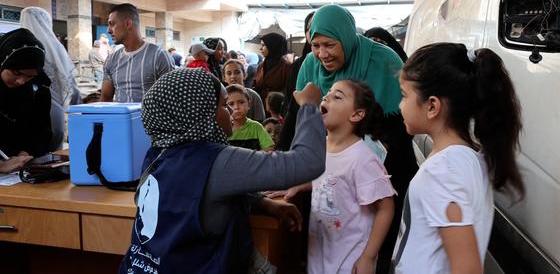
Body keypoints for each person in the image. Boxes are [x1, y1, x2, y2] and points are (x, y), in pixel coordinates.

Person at [119, 68, 326, 273]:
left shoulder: (157, 153)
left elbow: (193, 198)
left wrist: (261, 202)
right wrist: (309, 106)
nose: (230, 112)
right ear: (200, 113)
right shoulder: (215, 159)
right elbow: (307, 163)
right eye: (222, 105)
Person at [295, 4, 418, 273]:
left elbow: (402, 124)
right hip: (334, 171)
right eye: (315, 45)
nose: (321, 54)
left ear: (346, 38)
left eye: (329, 44)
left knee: (373, 245)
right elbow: (299, 117)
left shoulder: (384, 60)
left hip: (385, 167)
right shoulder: (309, 66)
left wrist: (363, 151)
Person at [392, 43, 525, 273]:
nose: (399, 105)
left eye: (404, 95)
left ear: (432, 105)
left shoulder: (444, 170)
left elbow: (467, 268)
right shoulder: (465, 156)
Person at [273, 79, 396, 273]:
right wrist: (302, 184)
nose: (327, 96)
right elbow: (332, 178)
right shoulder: (320, 146)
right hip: (321, 255)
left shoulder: (362, 158)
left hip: (349, 260)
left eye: (337, 96)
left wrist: (368, 257)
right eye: (327, 93)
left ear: (356, 114)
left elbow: (386, 207)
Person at [20, 6, 81, 151]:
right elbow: (72, 87)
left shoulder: (20, 48)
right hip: (54, 111)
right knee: (53, 157)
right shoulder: (55, 47)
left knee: (28, 156)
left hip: (24, 112)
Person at [0, 28, 52, 173]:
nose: (21, 81)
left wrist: (25, 154)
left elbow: (42, 129)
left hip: (17, 170)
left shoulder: (39, 88)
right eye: (17, 73)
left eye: (30, 76)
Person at [100, 3, 175, 103]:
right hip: (120, 118)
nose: (108, 30)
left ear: (128, 24)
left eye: (112, 24)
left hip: (151, 118)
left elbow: (172, 99)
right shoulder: (111, 60)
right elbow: (105, 98)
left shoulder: (159, 56)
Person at [276, 11, 314, 151]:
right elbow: (292, 102)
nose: (314, 31)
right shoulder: (299, 65)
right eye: (310, 28)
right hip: (302, 128)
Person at [226, 84, 274, 151]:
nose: (236, 107)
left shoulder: (256, 127)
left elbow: (269, 148)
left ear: (249, 105)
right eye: (231, 104)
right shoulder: (223, 129)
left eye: (241, 102)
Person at [254, 32, 292, 103]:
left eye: (263, 45)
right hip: (261, 105)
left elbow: (288, 91)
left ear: (272, 46)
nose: (260, 48)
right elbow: (256, 85)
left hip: (278, 108)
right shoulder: (261, 66)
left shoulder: (287, 67)